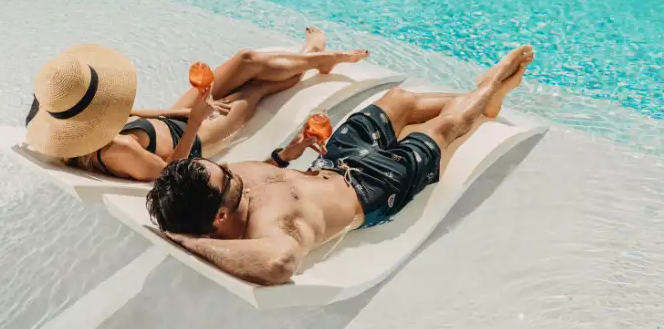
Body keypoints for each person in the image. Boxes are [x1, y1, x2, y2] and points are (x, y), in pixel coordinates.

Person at [145, 45, 535, 286]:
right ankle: (490, 86)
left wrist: (286, 154)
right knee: (445, 126)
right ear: (219, 218)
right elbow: (279, 264)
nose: (235, 174)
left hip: (332, 160)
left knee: (399, 99)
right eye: (229, 180)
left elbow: (257, 171)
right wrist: (188, 243)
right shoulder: (269, 230)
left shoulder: (221, 192)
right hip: (376, 187)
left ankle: (482, 100)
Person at [23, 28, 369, 181]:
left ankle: (318, 58)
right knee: (260, 86)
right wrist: (195, 122)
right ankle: (316, 57)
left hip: (182, 119)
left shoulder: (94, 124)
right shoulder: (119, 149)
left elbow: (138, 114)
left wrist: (187, 110)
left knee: (246, 59)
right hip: (199, 138)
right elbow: (169, 173)